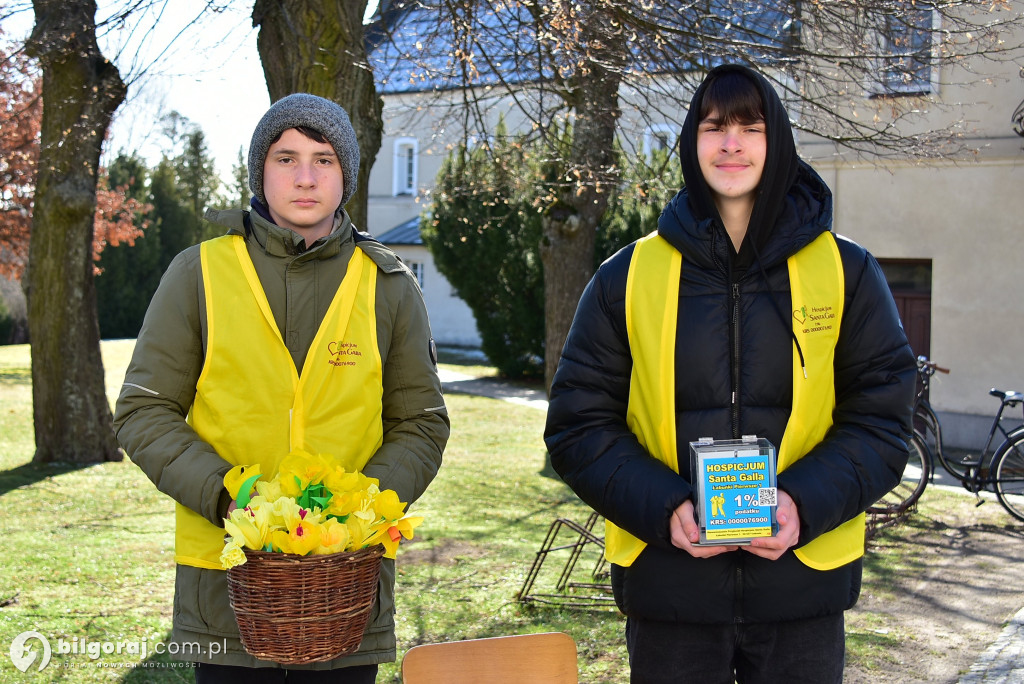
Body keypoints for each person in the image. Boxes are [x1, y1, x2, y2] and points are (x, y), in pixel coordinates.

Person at [544, 64, 915, 683]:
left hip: (804, 590)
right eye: (714, 126)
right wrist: (666, 510)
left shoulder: (848, 272)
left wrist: (802, 503)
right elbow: (578, 430)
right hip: (671, 592)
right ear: (693, 142)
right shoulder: (625, 277)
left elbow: (882, 422)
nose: (732, 143)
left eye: (751, 126)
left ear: (780, 142)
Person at [114, 93, 450, 683]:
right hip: (225, 588)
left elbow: (421, 422)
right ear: (258, 172)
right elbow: (144, 411)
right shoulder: (198, 273)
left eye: (324, 160)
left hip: (346, 591)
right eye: (285, 157)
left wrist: (358, 515)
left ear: (345, 175)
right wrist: (227, 498)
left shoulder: (390, 285)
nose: (304, 177)